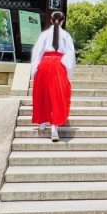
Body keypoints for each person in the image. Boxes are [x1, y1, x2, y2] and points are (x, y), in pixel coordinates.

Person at [30, 10, 75, 141]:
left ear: (51, 20)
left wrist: (35, 69)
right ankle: (54, 128)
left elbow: (37, 52)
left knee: (43, 93)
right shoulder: (66, 35)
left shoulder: (44, 35)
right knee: (57, 96)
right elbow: (70, 55)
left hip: (44, 64)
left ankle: (42, 123)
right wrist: (67, 71)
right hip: (59, 64)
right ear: (63, 21)